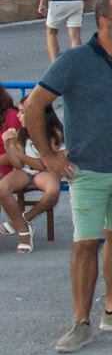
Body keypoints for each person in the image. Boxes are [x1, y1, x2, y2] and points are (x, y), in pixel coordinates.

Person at [25, 0, 112, 352]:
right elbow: (34, 105)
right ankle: (80, 321)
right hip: (87, 171)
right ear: (103, 19)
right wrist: (47, 155)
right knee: (84, 244)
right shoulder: (74, 60)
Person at [1, 88, 62, 249]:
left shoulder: (54, 132)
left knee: (53, 190)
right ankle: (24, 233)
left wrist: (21, 156)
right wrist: (10, 145)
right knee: (3, 188)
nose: (18, 116)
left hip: (47, 171)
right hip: (27, 170)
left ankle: (26, 218)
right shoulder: (21, 133)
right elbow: (19, 164)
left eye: (22, 112)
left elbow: (44, 164)